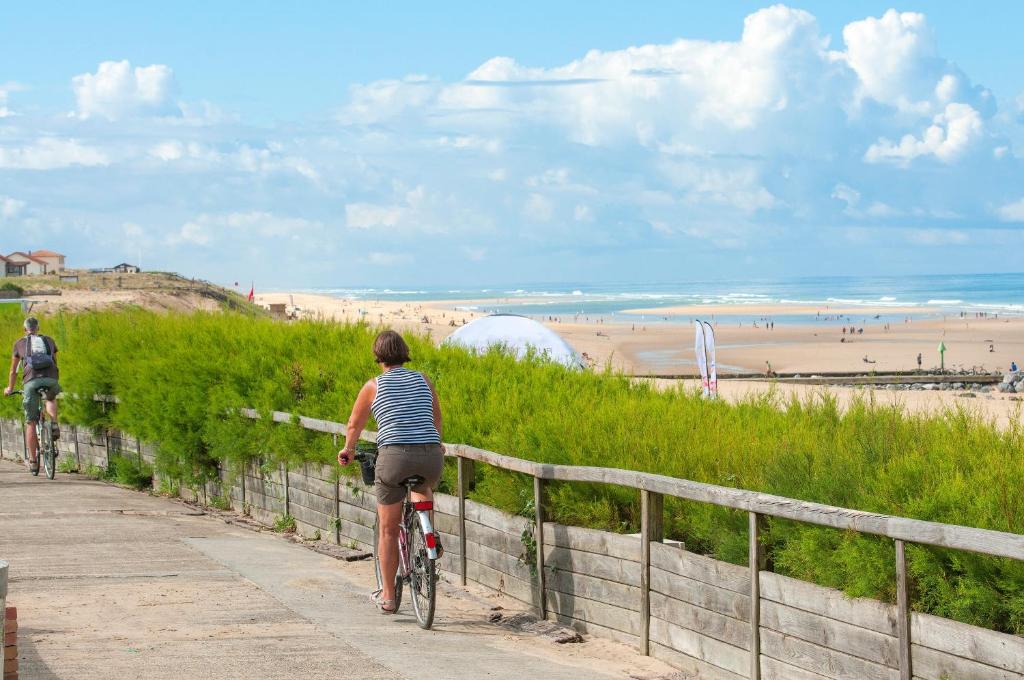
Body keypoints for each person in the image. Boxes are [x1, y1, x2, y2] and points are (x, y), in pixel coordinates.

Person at [338, 330, 444, 615]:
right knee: (423, 485)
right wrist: (436, 445)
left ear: (378, 355)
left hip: (395, 457)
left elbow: (354, 425)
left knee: (387, 529)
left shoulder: (373, 386)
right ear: (404, 351)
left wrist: (348, 449)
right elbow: (435, 419)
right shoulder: (423, 379)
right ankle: (429, 534)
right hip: (431, 455)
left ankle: (387, 596)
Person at [4, 317, 61, 473]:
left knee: (30, 422)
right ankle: (54, 422)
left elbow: (13, 371)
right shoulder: (49, 340)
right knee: (50, 397)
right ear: (38, 328)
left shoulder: (19, 344)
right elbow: (55, 363)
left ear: (25, 330)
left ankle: (34, 462)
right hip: (51, 378)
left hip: (31, 381)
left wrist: (9, 388)